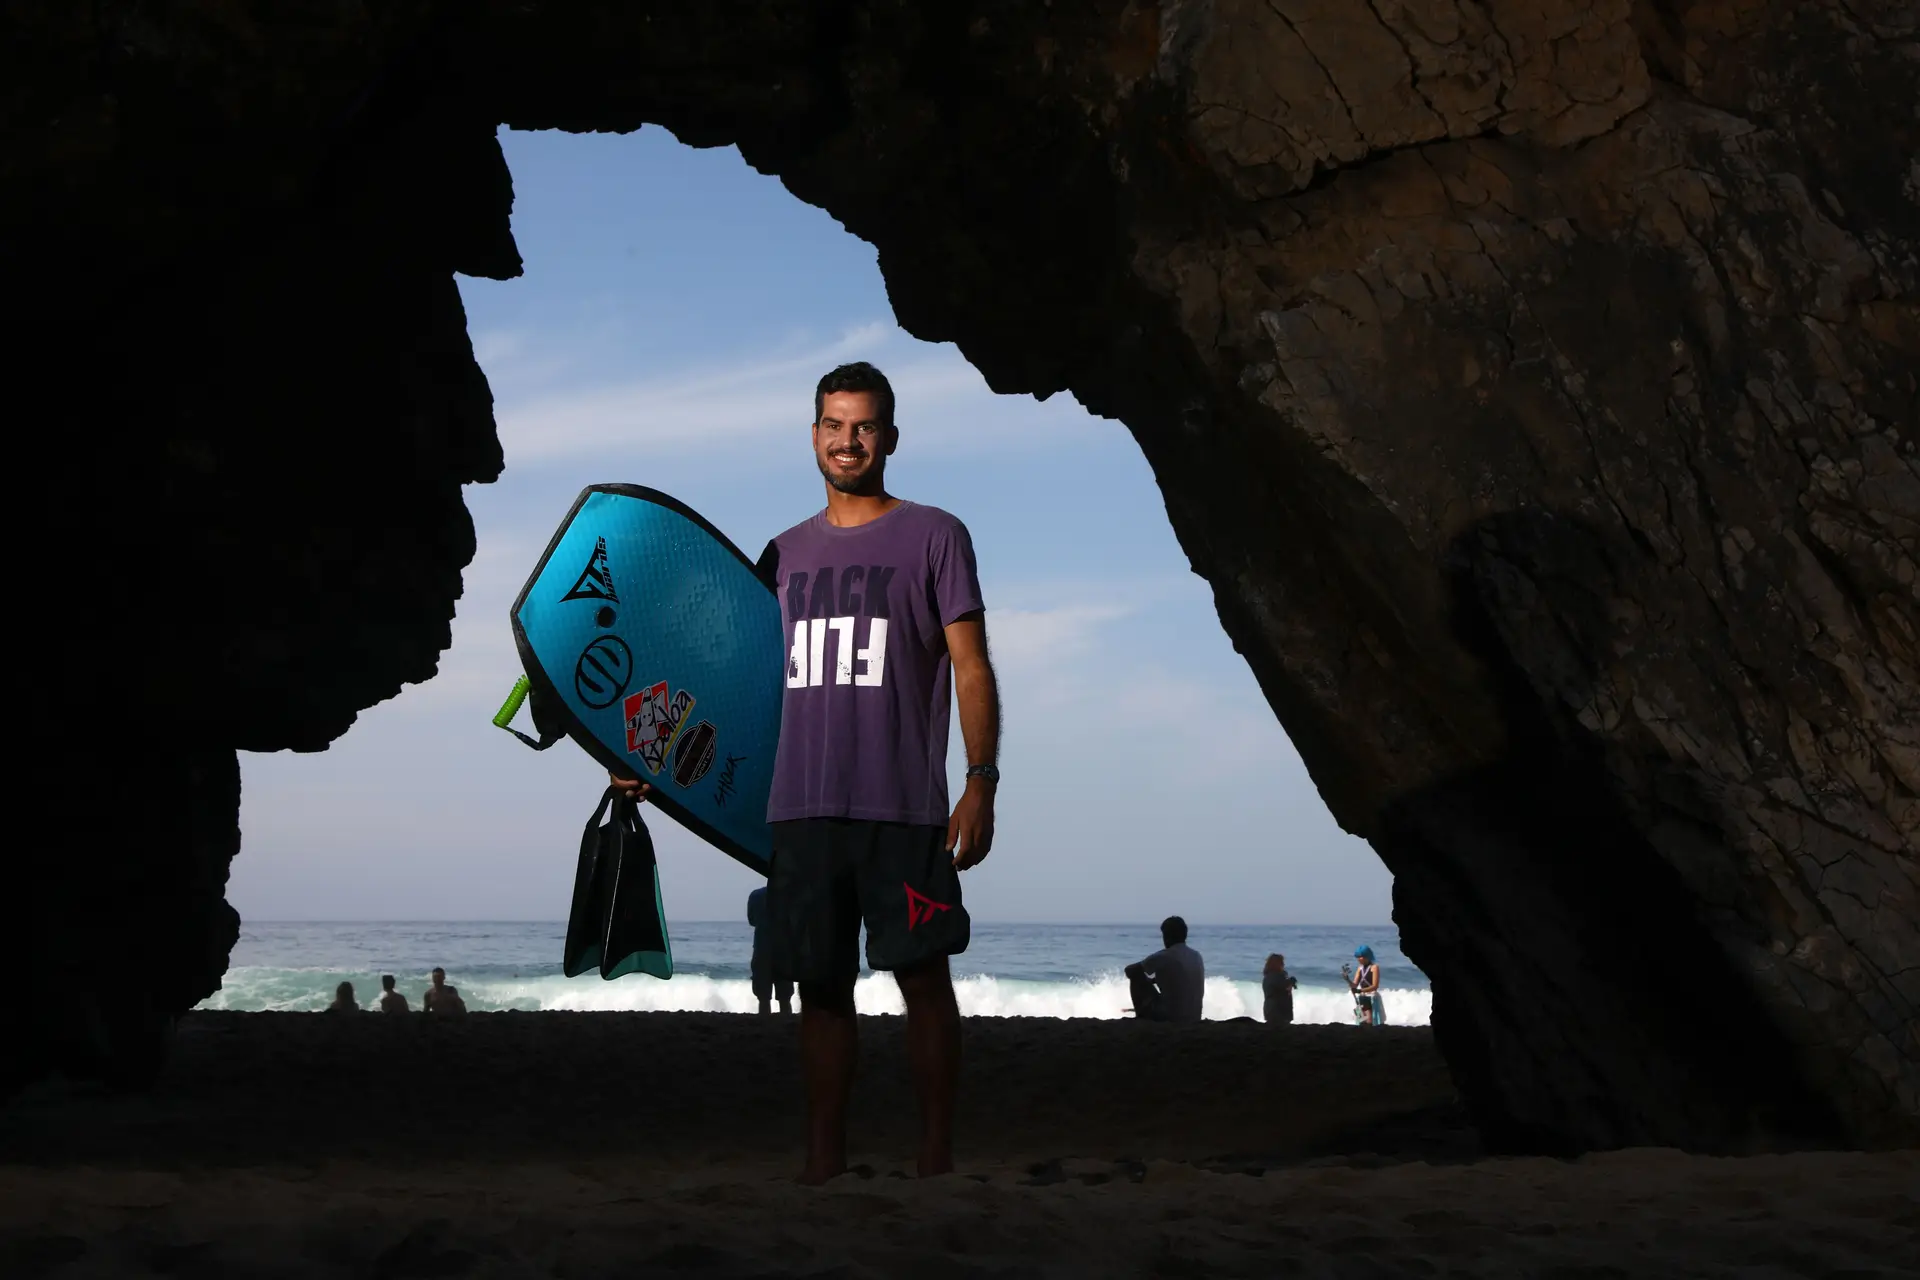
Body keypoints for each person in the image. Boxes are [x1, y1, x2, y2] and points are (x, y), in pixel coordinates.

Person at [614, 362, 1000, 1183]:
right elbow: (729, 681)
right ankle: (824, 1161)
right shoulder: (782, 554)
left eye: (863, 426)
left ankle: (936, 1157)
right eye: (833, 425)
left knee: (924, 978)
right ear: (814, 435)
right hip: (800, 810)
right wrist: (649, 764)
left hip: (903, 808)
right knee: (819, 989)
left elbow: (971, 665)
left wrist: (981, 778)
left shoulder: (936, 535)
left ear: (889, 437)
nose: (847, 441)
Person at [1124, 917, 1205, 1022]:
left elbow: (1130, 971)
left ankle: (1141, 1016)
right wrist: (1156, 980)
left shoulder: (1164, 956)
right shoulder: (1196, 955)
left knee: (1137, 976)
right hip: (1194, 1017)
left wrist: (1146, 981)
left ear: (1166, 936)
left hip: (1170, 1018)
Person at [747, 886, 793, 1015]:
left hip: (762, 948)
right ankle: (785, 1027)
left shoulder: (755, 895)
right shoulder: (791, 895)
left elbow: (752, 921)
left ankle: (765, 1024)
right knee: (785, 997)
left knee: (763, 998)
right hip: (785, 950)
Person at [1345, 946, 1386, 1025]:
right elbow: (1354, 985)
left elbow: (1375, 986)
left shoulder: (1374, 967)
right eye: (1358, 957)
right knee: (1361, 1020)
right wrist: (1347, 979)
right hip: (1362, 997)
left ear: (1367, 956)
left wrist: (1360, 990)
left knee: (1372, 1020)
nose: (1359, 959)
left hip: (1372, 997)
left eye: (1361, 957)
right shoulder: (1360, 968)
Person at [1261, 953, 1298, 1026]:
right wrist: (1292, 980)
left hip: (1271, 1010)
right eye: (1282, 963)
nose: (1283, 965)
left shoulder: (1268, 976)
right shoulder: (1275, 976)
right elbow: (1283, 985)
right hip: (1277, 1011)